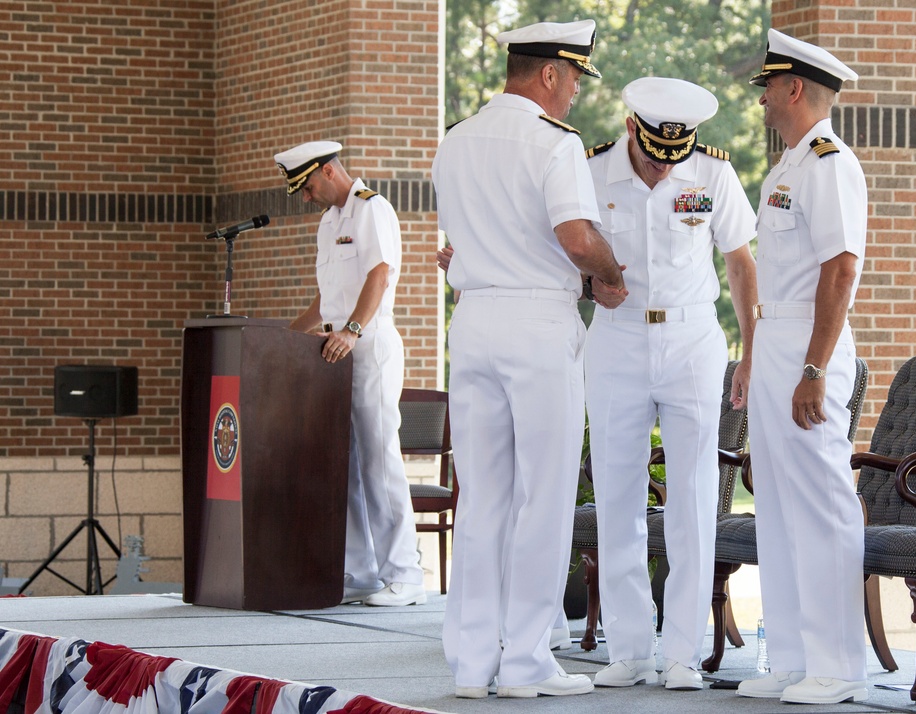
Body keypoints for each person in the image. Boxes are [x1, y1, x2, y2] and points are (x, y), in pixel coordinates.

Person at [431, 19, 626, 699]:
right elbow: (576, 237)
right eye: (573, 78)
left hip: (474, 320)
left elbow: (458, 243)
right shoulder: (553, 143)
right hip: (536, 324)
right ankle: (527, 664)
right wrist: (611, 269)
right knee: (543, 497)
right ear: (549, 74)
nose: (574, 93)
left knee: (483, 497)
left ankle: (472, 664)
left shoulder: (453, 143)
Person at [583, 77, 758, 691]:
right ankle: (629, 650)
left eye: (673, 157)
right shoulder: (592, 169)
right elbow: (562, 250)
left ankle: (683, 652)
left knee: (691, 496)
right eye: (655, 154)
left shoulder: (712, 175)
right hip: (616, 336)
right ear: (634, 128)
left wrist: (751, 348)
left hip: (692, 340)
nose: (663, 170)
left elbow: (739, 260)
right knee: (618, 492)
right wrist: (589, 286)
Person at [735, 29, 868, 705]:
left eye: (768, 87)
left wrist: (814, 369)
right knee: (780, 511)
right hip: (775, 340)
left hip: (810, 349)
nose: (761, 99)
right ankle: (792, 657)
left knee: (820, 504)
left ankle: (840, 665)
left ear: (794, 88)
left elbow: (841, 268)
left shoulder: (829, 163)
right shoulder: (786, 168)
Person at [274, 141, 426, 608]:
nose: (306, 197)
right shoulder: (328, 223)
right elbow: (326, 300)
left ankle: (405, 574)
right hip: (334, 350)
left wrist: (354, 330)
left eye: (308, 185)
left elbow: (380, 274)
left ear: (329, 170)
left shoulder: (370, 209)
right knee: (349, 465)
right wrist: (281, 339)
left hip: (369, 345)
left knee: (380, 460)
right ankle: (359, 570)